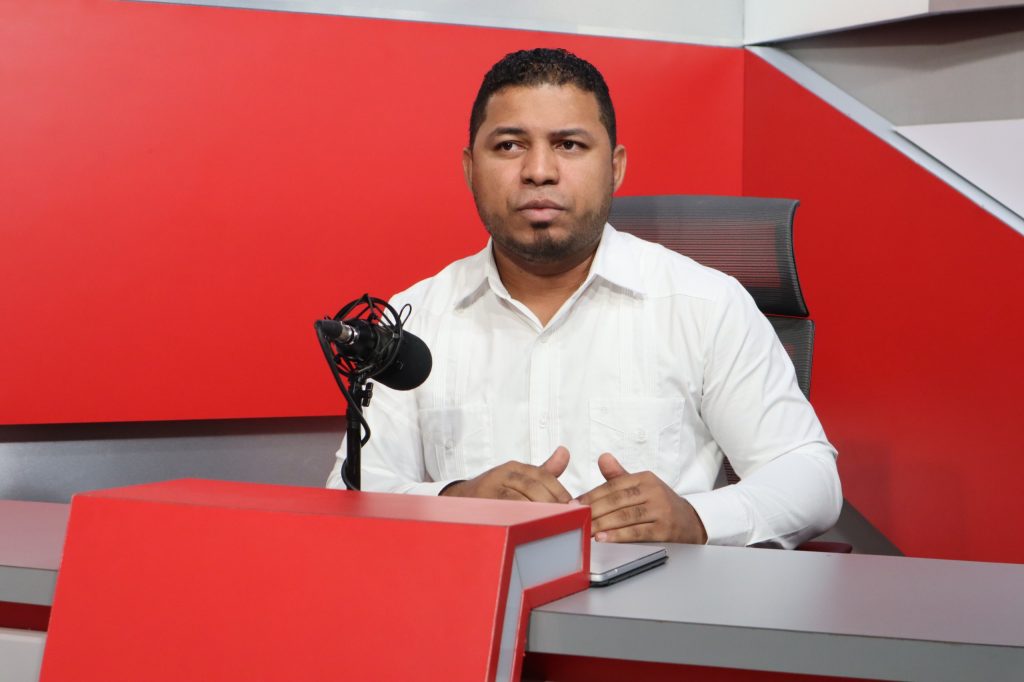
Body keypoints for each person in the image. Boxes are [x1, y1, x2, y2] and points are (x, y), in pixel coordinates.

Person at [328, 48, 842, 548]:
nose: (539, 170)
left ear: (615, 167)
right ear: (469, 168)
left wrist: (697, 519)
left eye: (569, 144)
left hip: (657, 617)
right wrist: (456, 501)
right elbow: (351, 491)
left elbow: (809, 479)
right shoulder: (417, 319)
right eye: (509, 145)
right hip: (469, 615)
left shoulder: (705, 305)